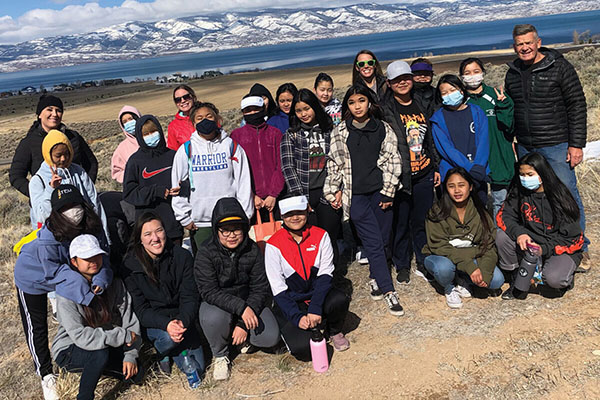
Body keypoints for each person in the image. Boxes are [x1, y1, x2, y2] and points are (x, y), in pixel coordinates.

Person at [14, 185, 112, 400]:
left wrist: (101, 279)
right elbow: (56, 273)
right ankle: (46, 375)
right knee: (37, 327)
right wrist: (86, 293)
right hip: (32, 277)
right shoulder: (48, 238)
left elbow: (102, 256)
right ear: (56, 212)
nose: (72, 211)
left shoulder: (92, 225)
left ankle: (86, 349)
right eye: (65, 207)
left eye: (74, 205)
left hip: (67, 274)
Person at [504, 24, 589, 268]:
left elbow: (577, 104)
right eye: (520, 44)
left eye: (529, 42)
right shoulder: (512, 73)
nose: (525, 48)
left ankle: (578, 247)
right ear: (514, 47)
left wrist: (576, 144)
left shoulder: (559, 67)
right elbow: (511, 109)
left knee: (567, 194)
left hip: (556, 143)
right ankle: (541, 241)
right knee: (530, 196)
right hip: (526, 146)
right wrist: (513, 143)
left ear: (538, 42)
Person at [323, 84, 404, 316]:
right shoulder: (341, 132)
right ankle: (389, 291)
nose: (357, 106)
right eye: (351, 102)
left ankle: (375, 277)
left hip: (380, 192)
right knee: (372, 241)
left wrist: (388, 192)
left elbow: (393, 160)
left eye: (361, 100)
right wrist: (333, 190)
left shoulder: (383, 129)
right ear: (346, 106)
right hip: (355, 196)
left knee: (384, 239)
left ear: (370, 103)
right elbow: (334, 163)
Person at [195, 198, 280, 380]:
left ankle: (242, 336)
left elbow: (260, 287)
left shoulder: (252, 250)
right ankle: (221, 354)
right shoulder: (205, 252)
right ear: (216, 229)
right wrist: (241, 309)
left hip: (249, 301)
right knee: (212, 318)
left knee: (270, 337)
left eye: (236, 228)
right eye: (225, 230)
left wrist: (243, 323)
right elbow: (208, 291)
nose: (231, 235)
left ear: (244, 228)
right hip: (219, 304)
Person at [52, 234, 142, 400]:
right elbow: (80, 336)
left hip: (105, 341)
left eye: (96, 255)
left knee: (137, 374)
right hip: (70, 348)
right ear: (74, 261)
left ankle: (102, 367)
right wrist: (122, 336)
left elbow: (130, 319)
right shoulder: (65, 294)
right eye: (86, 258)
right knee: (98, 355)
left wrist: (130, 356)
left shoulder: (114, 283)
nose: (93, 261)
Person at [265, 196, 350, 360]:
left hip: (318, 295)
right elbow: (278, 287)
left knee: (339, 299)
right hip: (293, 300)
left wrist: (315, 308)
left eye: (299, 212)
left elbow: (326, 274)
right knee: (304, 351)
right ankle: (306, 327)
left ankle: (334, 330)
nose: (295, 217)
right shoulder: (273, 244)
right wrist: (297, 318)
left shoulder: (321, 235)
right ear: (282, 216)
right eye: (289, 214)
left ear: (307, 211)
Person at [121, 213, 204, 378]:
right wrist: (167, 325)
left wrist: (182, 322)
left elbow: (190, 296)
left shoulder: (182, 256)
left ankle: (174, 350)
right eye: (147, 234)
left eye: (159, 231)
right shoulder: (130, 266)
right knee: (168, 339)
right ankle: (162, 351)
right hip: (155, 323)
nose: (155, 238)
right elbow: (141, 310)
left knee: (199, 368)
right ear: (140, 239)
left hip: (181, 318)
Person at [381, 60, 440, 284]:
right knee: (401, 222)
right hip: (400, 177)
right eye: (397, 80)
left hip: (424, 173)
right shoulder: (385, 109)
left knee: (422, 220)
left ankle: (424, 261)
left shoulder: (421, 103)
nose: (402, 83)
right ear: (389, 83)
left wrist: (434, 166)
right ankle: (402, 263)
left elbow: (430, 139)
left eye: (406, 78)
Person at [496, 152, 583, 299]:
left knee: (554, 279)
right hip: (531, 243)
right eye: (522, 174)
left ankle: (565, 276)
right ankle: (516, 277)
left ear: (542, 174)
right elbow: (505, 216)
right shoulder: (519, 192)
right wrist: (520, 233)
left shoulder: (559, 197)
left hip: (557, 247)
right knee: (501, 236)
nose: (525, 179)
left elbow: (572, 238)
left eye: (530, 174)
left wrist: (545, 248)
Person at [171, 102, 253, 253]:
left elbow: (243, 181)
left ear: (217, 119)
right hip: (200, 223)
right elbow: (178, 186)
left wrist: (246, 213)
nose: (205, 121)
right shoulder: (186, 151)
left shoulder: (231, 146)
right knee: (206, 266)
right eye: (199, 118)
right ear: (193, 123)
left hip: (230, 219)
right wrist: (183, 217)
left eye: (209, 116)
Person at [422, 168, 504, 309]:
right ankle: (449, 286)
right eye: (451, 186)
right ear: (446, 188)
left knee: (496, 280)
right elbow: (439, 247)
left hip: (469, 258)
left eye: (461, 185)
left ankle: (463, 278)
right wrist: (470, 266)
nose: (457, 191)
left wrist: (483, 271)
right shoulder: (437, 211)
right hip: (441, 257)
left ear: (470, 187)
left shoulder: (481, 213)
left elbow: (488, 246)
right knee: (444, 269)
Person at [281, 88, 342, 268]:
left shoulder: (329, 130)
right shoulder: (291, 135)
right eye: (298, 110)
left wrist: (337, 189)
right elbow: (288, 167)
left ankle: (334, 273)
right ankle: (314, 273)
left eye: (306, 109)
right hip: (304, 194)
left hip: (327, 191)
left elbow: (339, 160)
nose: (303, 114)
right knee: (310, 238)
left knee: (329, 235)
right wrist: (300, 198)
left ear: (315, 107)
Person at [10, 94, 98, 198]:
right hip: (47, 206)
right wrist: (38, 195)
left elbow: (91, 163)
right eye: (49, 109)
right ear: (39, 114)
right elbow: (16, 176)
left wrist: (86, 187)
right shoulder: (29, 142)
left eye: (58, 110)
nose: (54, 114)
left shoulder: (73, 137)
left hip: (78, 200)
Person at [28, 130, 109, 242]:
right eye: (58, 155)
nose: (63, 159)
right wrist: (51, 189)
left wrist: (104, 238)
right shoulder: (37, 181)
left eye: (66, 153)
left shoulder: (78, 172)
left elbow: (94, 204)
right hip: (57, 241)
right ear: (48, 154)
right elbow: (41, 216)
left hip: (84, 236)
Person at [460, 57, 515, 218]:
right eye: (467, 73)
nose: (472, 76)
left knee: (501, 200)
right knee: (475, 200)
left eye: (476, 72)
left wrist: (503, 106)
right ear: (462, 77)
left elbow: (509, 126)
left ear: (483, 73)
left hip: (498, 154)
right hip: (473, 158)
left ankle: (502, 236)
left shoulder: (496, 95)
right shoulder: (461, 100)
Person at [430, 74, 490, 206]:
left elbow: (484, 142)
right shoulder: (438, 119)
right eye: (444, 93)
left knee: (479, 209)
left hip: (478, 171)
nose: (449, 94)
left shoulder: (477, 112)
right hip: (452, 173)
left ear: (461, 90)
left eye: (452, 90)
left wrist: (479, 167)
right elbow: (446, 149)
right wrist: (469, 168)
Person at [122, 115, 183, 243]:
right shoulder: (135, 161)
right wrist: (156, 192)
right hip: (148, 228)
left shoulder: (173, 155)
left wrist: (183, 187)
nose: (151, 136)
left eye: (153, 131)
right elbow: (130, 193)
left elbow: (186, 179)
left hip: (173, 224)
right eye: (146, 134)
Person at [231, 96, 285, 219]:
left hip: (275, 198)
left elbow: (281, 165)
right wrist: (251, 195)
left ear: (263, 109)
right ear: (243, 113)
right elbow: (236, 169)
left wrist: (273, 194)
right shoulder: (236, 136)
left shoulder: (275, 133)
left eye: (256, 109)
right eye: (248, 110)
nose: (252, 113)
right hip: (250, 200)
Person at [111, 105, 141, 184]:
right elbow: (116, 173)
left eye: (130, 119)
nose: (129, 123)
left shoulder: (154, 137)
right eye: (124, 122)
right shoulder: (122, 148)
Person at [166, 84, 197, 151]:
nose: (183, 101)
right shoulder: (173, 126)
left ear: (193, 97)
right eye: (178, 100)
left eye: (186, 97)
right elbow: (173, 151)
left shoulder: (206, 115)